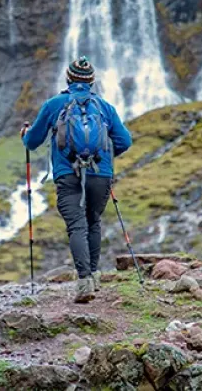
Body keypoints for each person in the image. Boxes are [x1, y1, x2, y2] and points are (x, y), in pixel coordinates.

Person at [22, 56, 132, 303]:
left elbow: (32, 142)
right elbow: (125, 141)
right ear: (92, 82)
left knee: (77, 226)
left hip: (67, 173)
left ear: (68, 79)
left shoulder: (54, 105)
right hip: (100, 174)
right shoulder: (105, 107)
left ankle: (84, 283)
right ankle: (93, 276)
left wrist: (25, 135)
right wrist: (104, 156)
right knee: (93, 222)